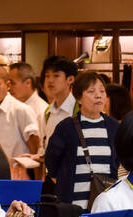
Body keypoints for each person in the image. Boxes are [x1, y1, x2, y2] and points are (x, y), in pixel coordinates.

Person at [43, 70, 120, 206]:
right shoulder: (66, 127)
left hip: (105, 203)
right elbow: (51, 161)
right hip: (73, 204)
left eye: (102, 91)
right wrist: (65, 182)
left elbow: (119, 161)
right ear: (78, 98)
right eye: (91, 92)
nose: (98, 96)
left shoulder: (114, 127)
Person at [0, 64, 40, 178]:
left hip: (20, 179)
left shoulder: (21, 110)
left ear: (7, 85)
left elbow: (35, 147)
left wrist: (37, 184)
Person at [40, 55, 78, 148]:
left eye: (56, 75)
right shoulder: (48, 112)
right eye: (47, 75)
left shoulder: (79, 109)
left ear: (70, 79)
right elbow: (46, 146)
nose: (50, 80)